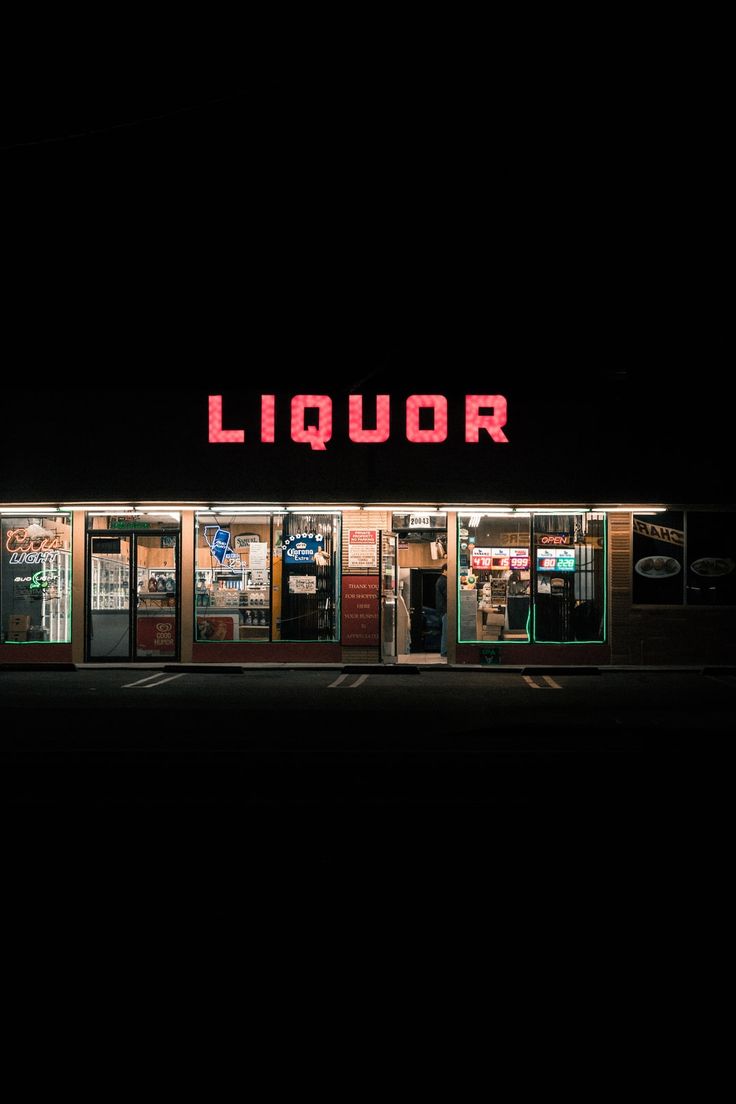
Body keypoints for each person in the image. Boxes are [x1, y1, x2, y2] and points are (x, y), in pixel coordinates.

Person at [436, 562, 448, 658]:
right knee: (446, 631)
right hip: (445, 609)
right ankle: (444, 651)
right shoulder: (444, 581)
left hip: (442, 609)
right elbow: (448, 595)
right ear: (445, 570)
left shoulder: (441, 580)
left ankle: (445, 650)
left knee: (445, 631)